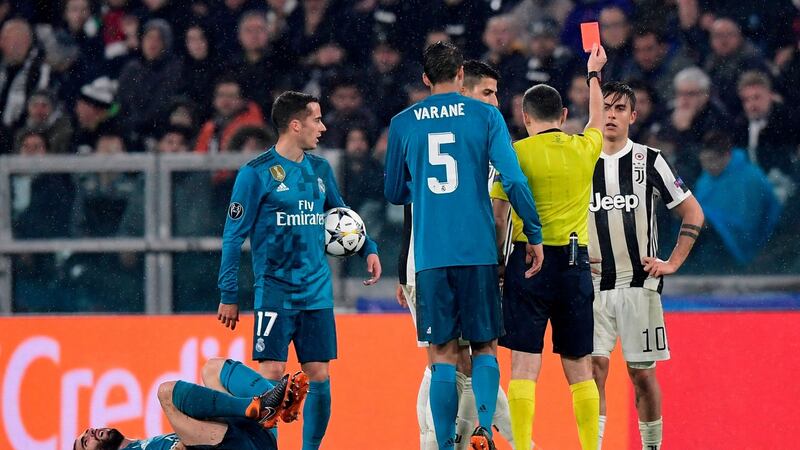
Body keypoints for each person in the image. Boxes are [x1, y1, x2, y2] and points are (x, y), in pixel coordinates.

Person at [385, 41, 543, 450]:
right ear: (460, 75)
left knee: (442, 354)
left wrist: (425, 189)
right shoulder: (486, 116)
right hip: (478, 252)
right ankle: (484, 430)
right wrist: (534, 233)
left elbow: (394, 191)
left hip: (431, 256)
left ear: (425, 78)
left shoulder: (403, 123)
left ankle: (442, 442)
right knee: (485, 347)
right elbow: (513, 180)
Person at [217, 91, 382, 450]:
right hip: (275, 290)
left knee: (319, 373)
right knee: (272, 374)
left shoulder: (319, 170)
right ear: (295, 125)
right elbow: (232, 237)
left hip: (316, 291)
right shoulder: (256, 173)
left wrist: (368, 247)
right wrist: (228, 294)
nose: (323, 127)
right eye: (316, 120)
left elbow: (341, 214)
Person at [490, 44, 607, 450]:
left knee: (524, 363)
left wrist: (499, 263)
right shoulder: (583, 149)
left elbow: (499, 216)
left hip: (527, 261)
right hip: (574, 264)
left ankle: (523, 446)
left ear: (525, 118)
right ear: (563, 115)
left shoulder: (515, 155)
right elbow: (597, 119)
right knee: (580, 366)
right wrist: (594, 74)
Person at [589, 82, 705, 450]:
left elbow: (693, 212)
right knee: (593, 372)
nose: (611, 114)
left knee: (641, 375)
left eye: (620, 108)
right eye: (606, 107)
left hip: (639, 285)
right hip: (590, 286)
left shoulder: (649, 160)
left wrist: (673, 262)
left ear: (633, 116)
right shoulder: (580, 159)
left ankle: (651, 446)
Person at [73, 358, 309, 450]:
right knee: (166, 393)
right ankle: (257, 407)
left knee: (212, 370)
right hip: (233, 445)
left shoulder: (143, 444)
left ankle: (269, 408)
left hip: (251, 439)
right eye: (85, 442)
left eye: (87, 431)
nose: (90, 432)